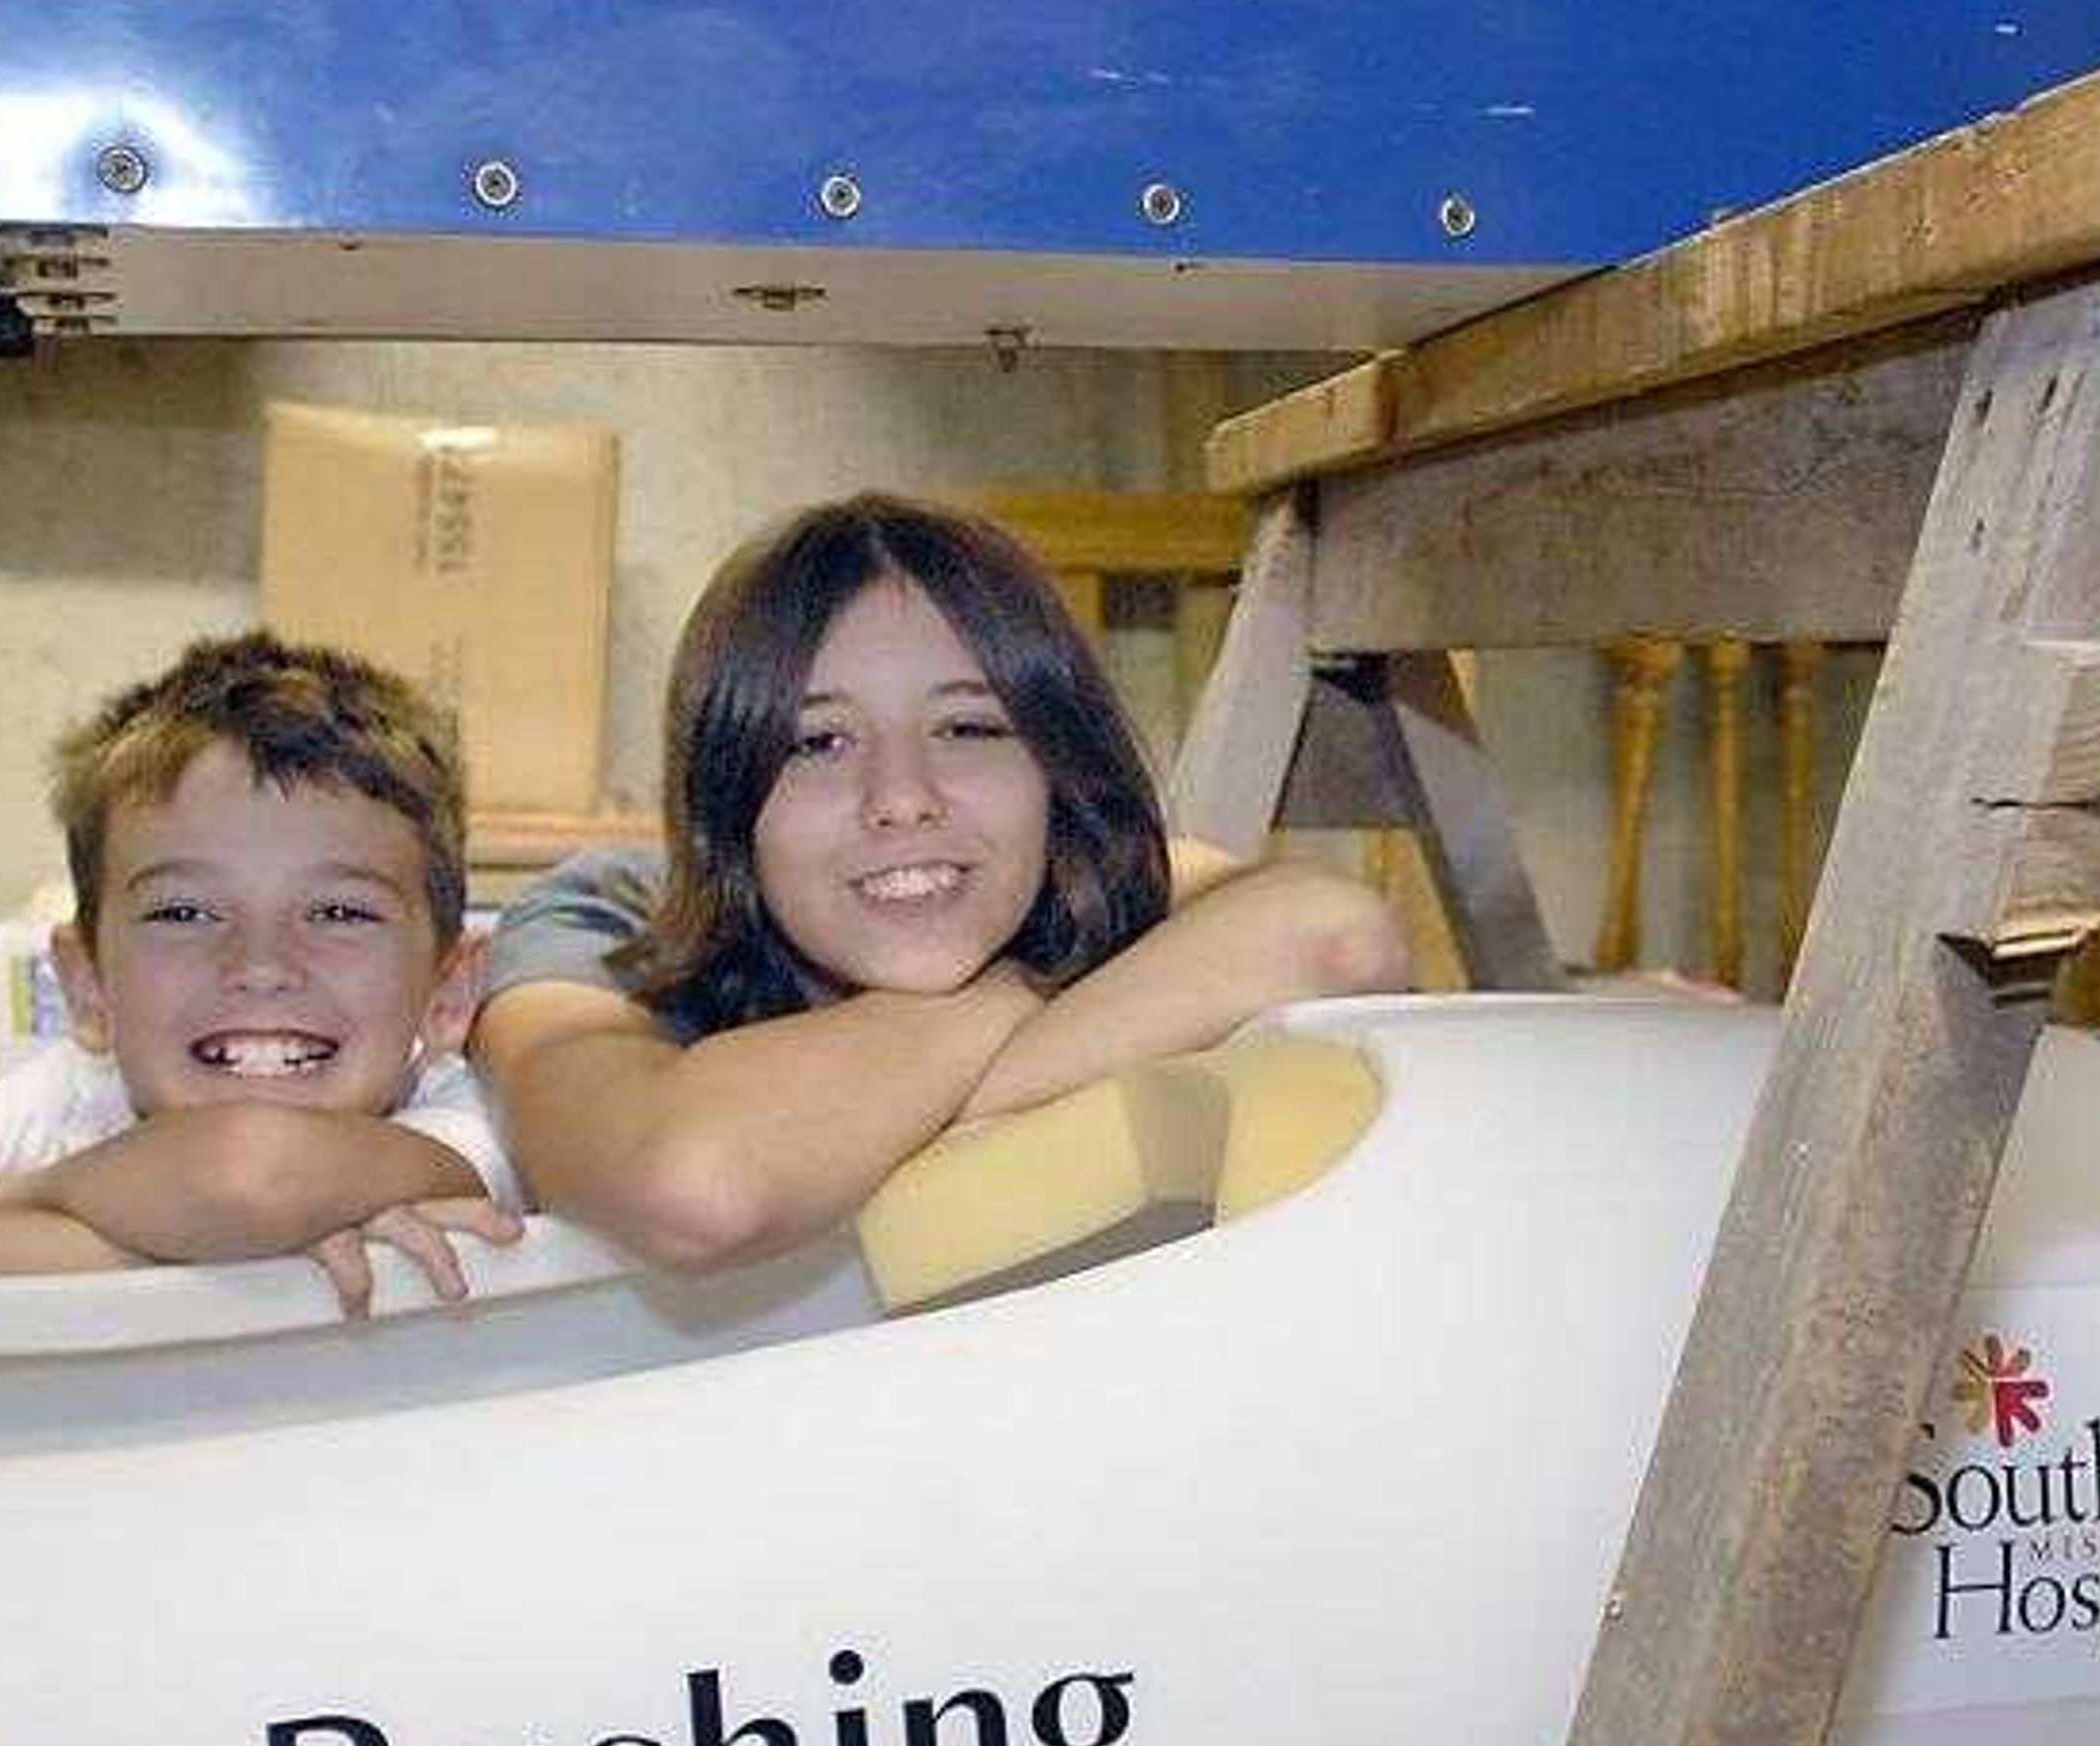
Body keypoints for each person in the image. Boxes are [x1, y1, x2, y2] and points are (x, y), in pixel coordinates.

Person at [472, 493, 1406, 1272]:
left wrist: (915, 1097)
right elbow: (695, 1189)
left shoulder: (1072, 878)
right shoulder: (597, 922)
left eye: (969, 728)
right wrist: (1026, 993)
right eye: (819, 742)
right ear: (724, 791)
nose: (902, 800)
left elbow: (1334, 935)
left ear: (1055, 767)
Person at [0, 633, 519, 1312]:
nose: (260, 966)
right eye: (184, 913)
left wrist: (16, 1200)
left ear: (449, 994)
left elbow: (251, 1173)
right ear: (85, 985)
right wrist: (122, 1241)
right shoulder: (62, 1099)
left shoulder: (475, 1124)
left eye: (339, 913)